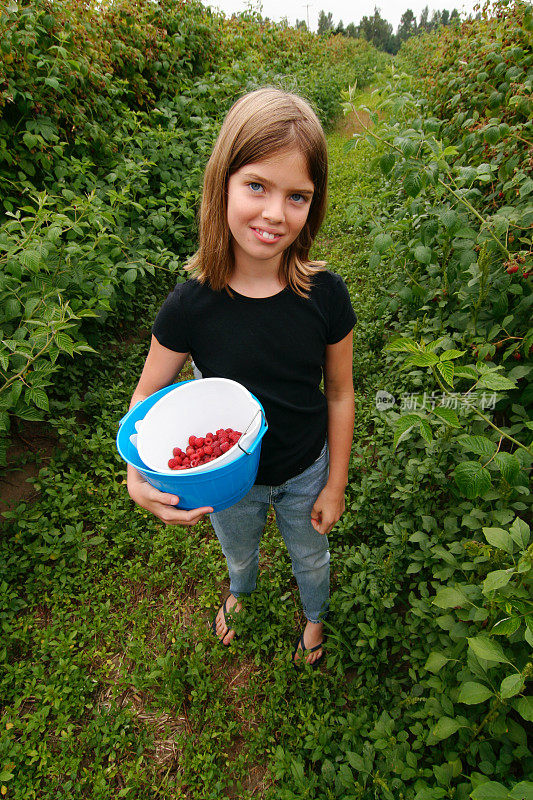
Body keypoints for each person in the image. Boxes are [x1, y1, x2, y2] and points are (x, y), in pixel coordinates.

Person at [126, 87, 356, 668]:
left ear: (314, 203)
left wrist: (334, 485)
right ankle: (242, 591)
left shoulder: (325, 296)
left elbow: (340, 392)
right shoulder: (190, 306)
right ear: (221, 183)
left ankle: (314, 616)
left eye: (297, 195)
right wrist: (136, 473)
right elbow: (148, 395)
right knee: (239, 549)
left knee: (310, 555)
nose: (275, 213)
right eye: (257, 186)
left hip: (307, 467)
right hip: (230, 481)